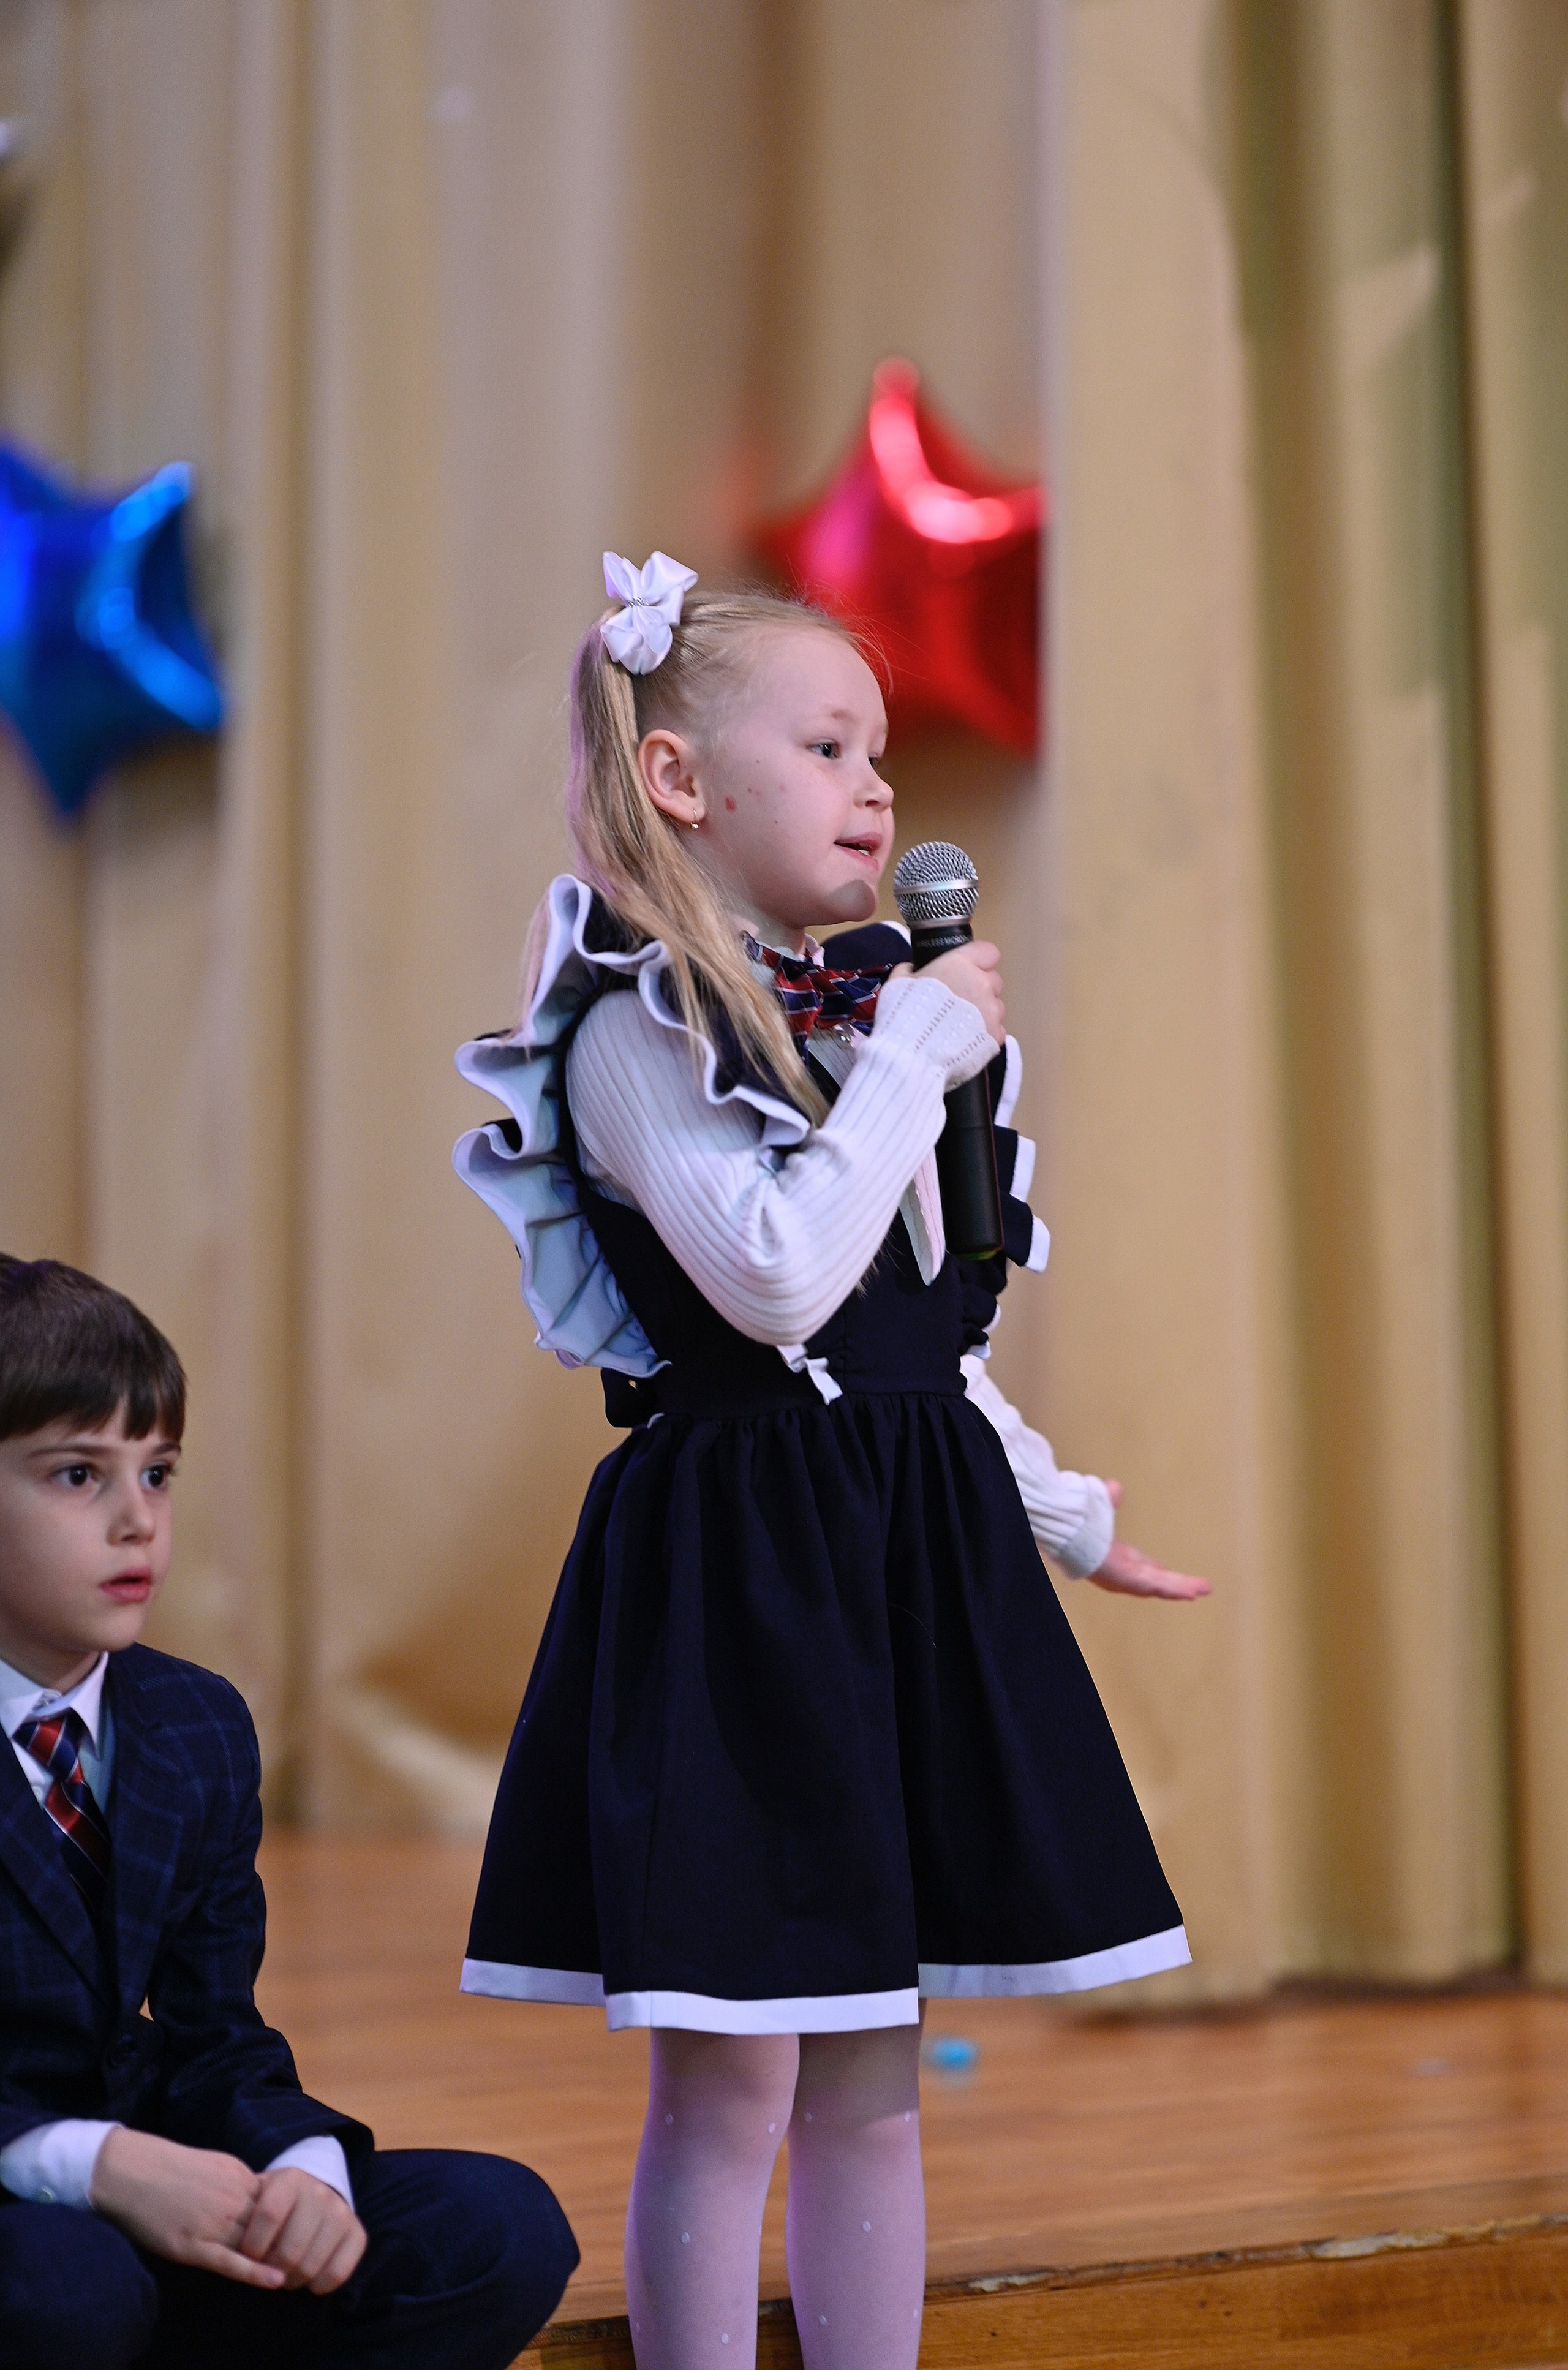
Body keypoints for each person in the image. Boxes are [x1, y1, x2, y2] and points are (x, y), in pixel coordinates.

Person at [453, 553, 1212, 2370]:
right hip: (743, 1593)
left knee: (874, 2082)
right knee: (735, 2081)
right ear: (681, 782)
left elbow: (910, 1347)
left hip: (893, 1564)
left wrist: (1066, 1513)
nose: (882, 786)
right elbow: (777, 1276)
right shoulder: (639, 1025)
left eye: (883, 750)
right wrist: (917, 1059)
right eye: (828, 743)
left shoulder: (874, 1024)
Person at [0, 1253, 578, 2369]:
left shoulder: (195, 1722)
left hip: (148, 2202)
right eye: (79, 1475)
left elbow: (219, 2038)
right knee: (70, 2292)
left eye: (158, 1472)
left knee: (495, 2229)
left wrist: (304, 2168)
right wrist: (96, 2164)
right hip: (38, 2219)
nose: (137, 1522)